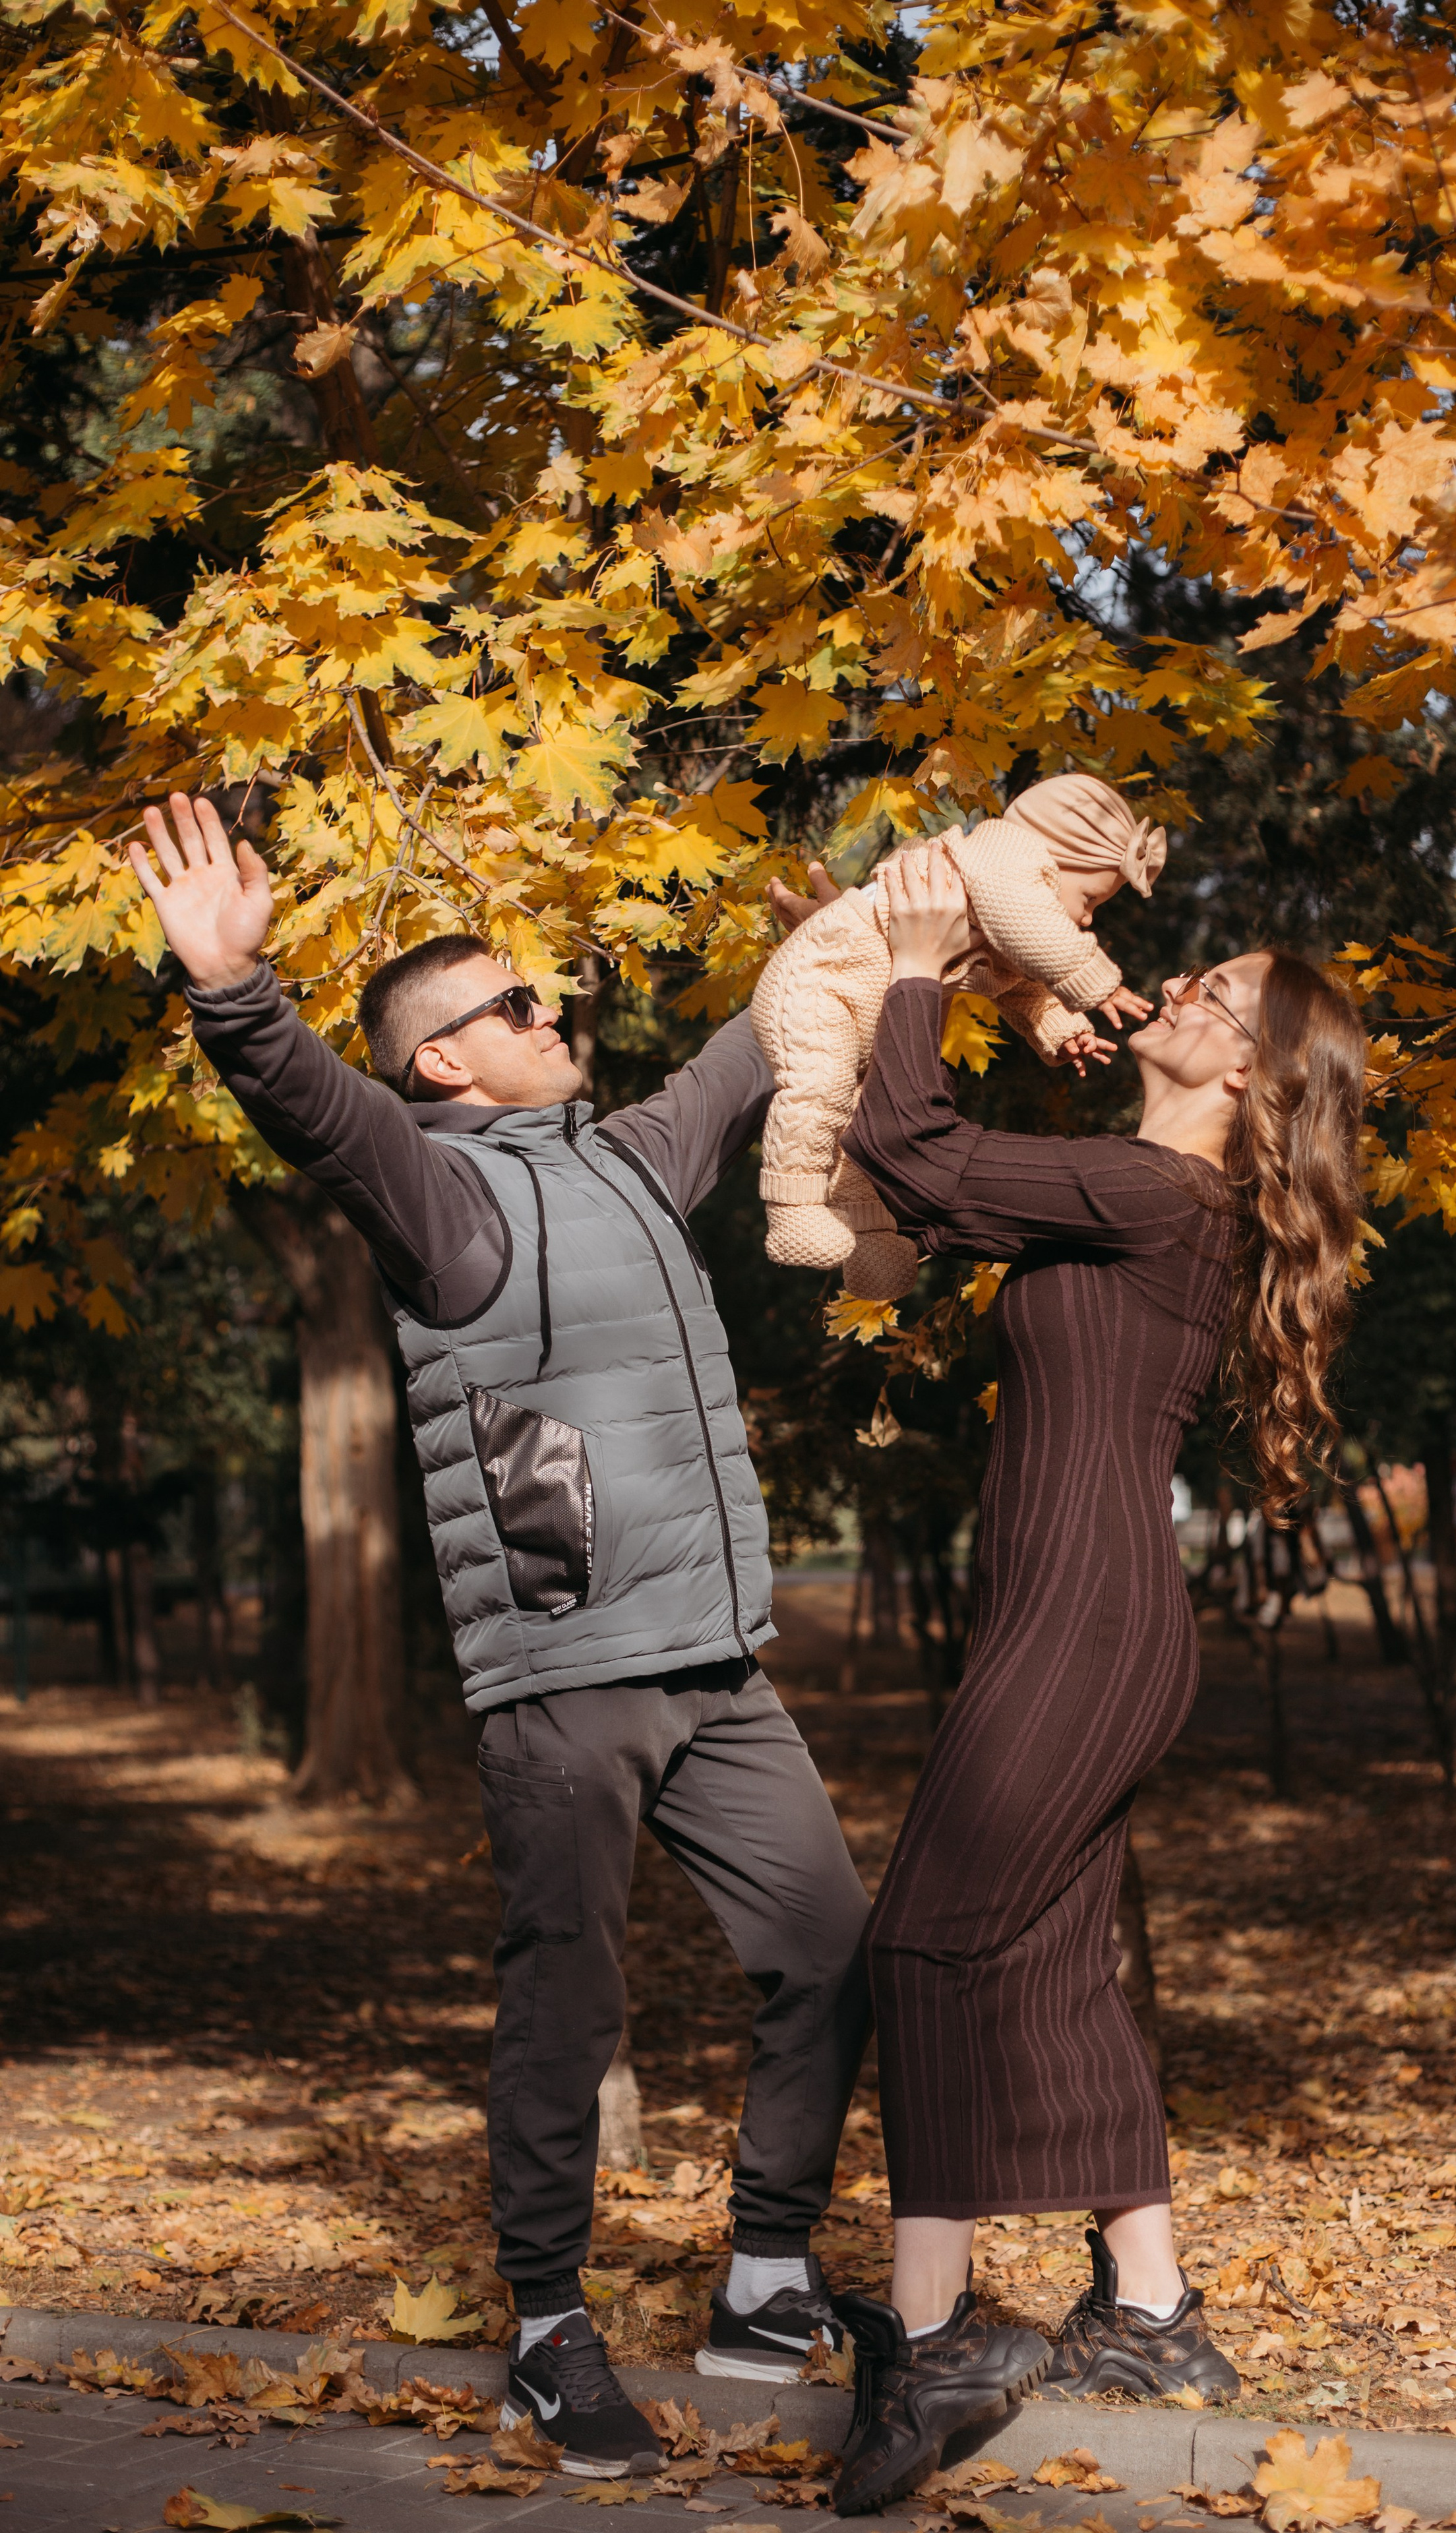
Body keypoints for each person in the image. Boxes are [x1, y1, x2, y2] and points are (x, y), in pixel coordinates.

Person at [129, 794, 873, 2475]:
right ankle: (547, 2325)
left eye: (547, 993)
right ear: (449, 1062)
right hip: (563, 1679)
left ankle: (762, 2277)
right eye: (521, 1005)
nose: (559, 1015)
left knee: (831, 1950)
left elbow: (751, 1049)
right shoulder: (440, 1198)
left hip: (715, 1660)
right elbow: (322, 1115)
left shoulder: (625, 1157)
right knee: (569, 2001)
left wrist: (849, 931)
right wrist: (236, 997)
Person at [827, 844, 1368, 2516]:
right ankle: (1149, 2312)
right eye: (1195, 974)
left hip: (1082, 1624)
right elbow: (983, 1165)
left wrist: (915, 972)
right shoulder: (1141, 1184)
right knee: (1051, 1965)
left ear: (1255, 1079)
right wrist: (890, 981)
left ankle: (925, 2343)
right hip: (1090, 1621)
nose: (1180, 983)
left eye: (1221, 996)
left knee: (920, 1937)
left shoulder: (1152, 1195)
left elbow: (912, 1157)